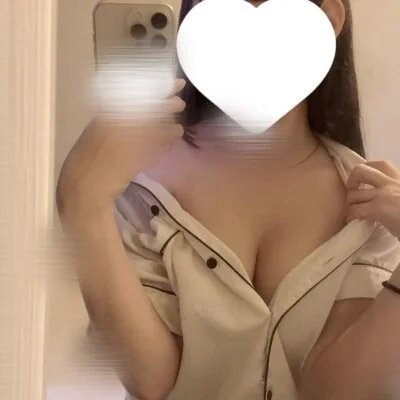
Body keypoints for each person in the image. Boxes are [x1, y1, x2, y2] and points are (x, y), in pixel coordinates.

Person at [56, 0, 400, 399]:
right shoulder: (142, 183)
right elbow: (153, 381)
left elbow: (335, 391)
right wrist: (81, 204)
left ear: (328, 18)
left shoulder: (370, 202)